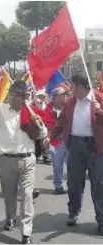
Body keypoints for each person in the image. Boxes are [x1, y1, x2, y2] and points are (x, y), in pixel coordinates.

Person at [0, 80, 48, 244]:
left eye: (13, 94)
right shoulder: (0, 110)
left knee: (26, 196)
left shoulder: (31, 111)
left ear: (22, 98)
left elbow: (42, 134)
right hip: (6, 160)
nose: (9, 96)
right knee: (9, 194)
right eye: (9, 93)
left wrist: (40, 124)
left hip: (27, 159)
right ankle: (10, 217)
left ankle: (26, 232)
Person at [44, 71, 103, 236]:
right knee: (74, 182)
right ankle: (73, 212)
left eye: (73, 86)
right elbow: (60, 122)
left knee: (99, 184)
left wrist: (101, 111)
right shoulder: (70, 103)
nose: (70, 89)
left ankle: (101, 220)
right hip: (75, 146)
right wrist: (51, 137)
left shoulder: (99, 99)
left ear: (82, 86)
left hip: (96, 148)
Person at [44, 86, 69, 194]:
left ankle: (71, 184)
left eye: (65, 94)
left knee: (72, 164)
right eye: (62, 94)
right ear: (55, 97)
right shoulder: (49, 109)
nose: (65, 97)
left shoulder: (69, 106)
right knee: (58, 164)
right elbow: (49, 125)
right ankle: (58, 185)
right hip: (56, 141)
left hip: (69, 140)